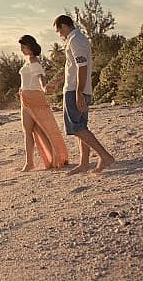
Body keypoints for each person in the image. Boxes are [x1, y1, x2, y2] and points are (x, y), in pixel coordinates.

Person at [46, 15, 115, 174]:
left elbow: (82, 67)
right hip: (77, 88)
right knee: (81, 127)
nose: (59, 35)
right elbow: (73, 67)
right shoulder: (76, 39)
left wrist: (78, 93)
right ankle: (84, 163)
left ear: (64, 26)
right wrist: (58, 83)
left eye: (58, 31)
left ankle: (105, 156)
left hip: (75, 90)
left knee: (76, 128)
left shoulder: (75, 40)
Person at [17, 35, 69, 171]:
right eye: (21, 47)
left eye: (24, 46)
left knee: (46, 130)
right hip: (25, 97)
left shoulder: (35, 62)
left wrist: (45, 87)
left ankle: (56, 157)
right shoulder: (27, 61)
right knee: (27, 131)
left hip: (36, 98)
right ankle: (29, 162)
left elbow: (41, 78)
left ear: (30, 47)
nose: (21, 49)